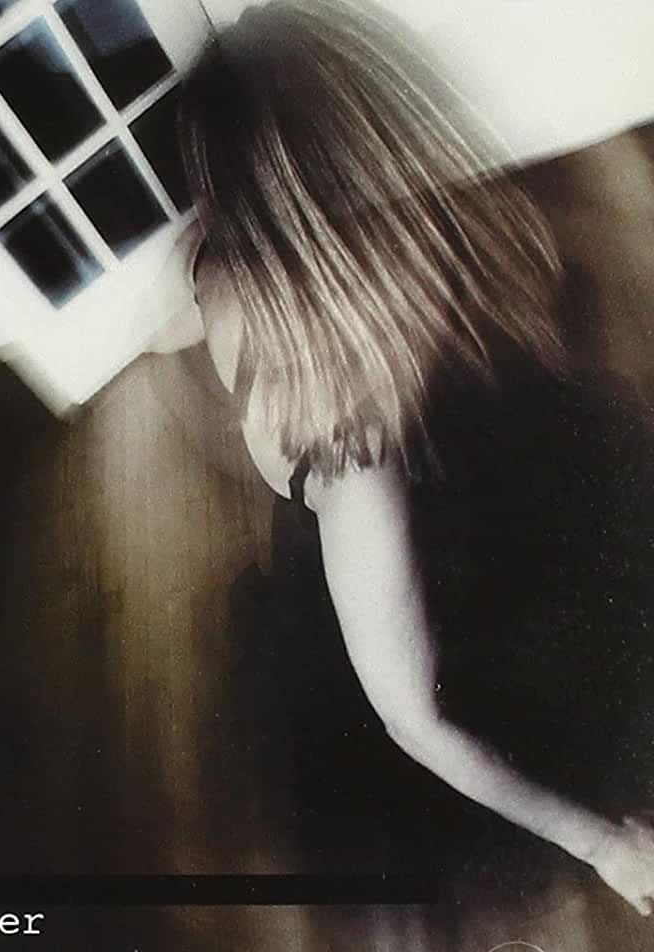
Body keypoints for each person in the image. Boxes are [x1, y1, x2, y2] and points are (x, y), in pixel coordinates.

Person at [149, 0, 654, 915]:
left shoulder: (243, 286)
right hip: (442, 586)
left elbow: (205, 280)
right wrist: (604, 844)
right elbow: (413, 714)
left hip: (468, 528)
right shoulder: (362, 454)